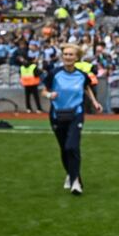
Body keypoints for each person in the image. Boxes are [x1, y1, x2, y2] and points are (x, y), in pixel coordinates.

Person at [40, 43, 103, 195]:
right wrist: (49, 95)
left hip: (76, 113)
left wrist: (94, 102)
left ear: (77, 58)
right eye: (65, 54)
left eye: (71, 55)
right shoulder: (54, 73)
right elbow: (43, 90)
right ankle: (71, 174)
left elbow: (86, 87)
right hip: (57, 115)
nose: (68, 57)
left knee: (72, 146)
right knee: (64, 148)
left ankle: (76, 182)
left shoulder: (81, 74)